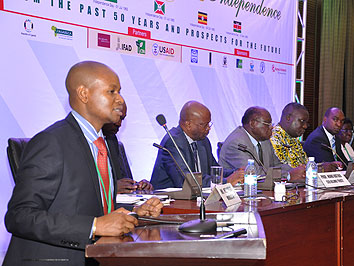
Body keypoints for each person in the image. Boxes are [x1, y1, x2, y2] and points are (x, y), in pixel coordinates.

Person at [4, 61, 163, 266]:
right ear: (84, 94)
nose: (120, 99)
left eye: (120, 91)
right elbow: (20, 216)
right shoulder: (51, 142)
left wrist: (134, 213)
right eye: (112, 91)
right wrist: (94, 226)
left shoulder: (101, 144)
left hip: (97, 256)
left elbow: (92, 206)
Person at [150, 101, 244, 189]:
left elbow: (214, 170)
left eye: (209, 124)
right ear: (188, 125)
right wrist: (226, 181)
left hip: (196, 198)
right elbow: (185, 180)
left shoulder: (203, 141)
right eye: (204, 125)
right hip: (169, 200)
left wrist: (237, 173)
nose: (208, 128)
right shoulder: (173, 142)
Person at [219, 106, 305, 180]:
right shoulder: (237, 143)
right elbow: (254, 174)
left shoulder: (264, 140)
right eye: (267, 124)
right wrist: (288, 176)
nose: (271, 127)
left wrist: (298, 171)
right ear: (253, 123)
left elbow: (277, 165)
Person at [102, 102, 153, 193]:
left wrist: (138, 186)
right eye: (117, 116)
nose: (119, 124)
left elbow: (123, 181)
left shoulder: (112, 141)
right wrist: (111, 188)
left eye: (122, 119)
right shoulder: (81, 141)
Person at [270, 103, 309, 168]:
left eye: (306, 123)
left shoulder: (293, 139)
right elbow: (282, 170)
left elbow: (306, 165)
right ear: (288, 118)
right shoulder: (274, 137)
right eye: (302, 121)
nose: (305, 126)